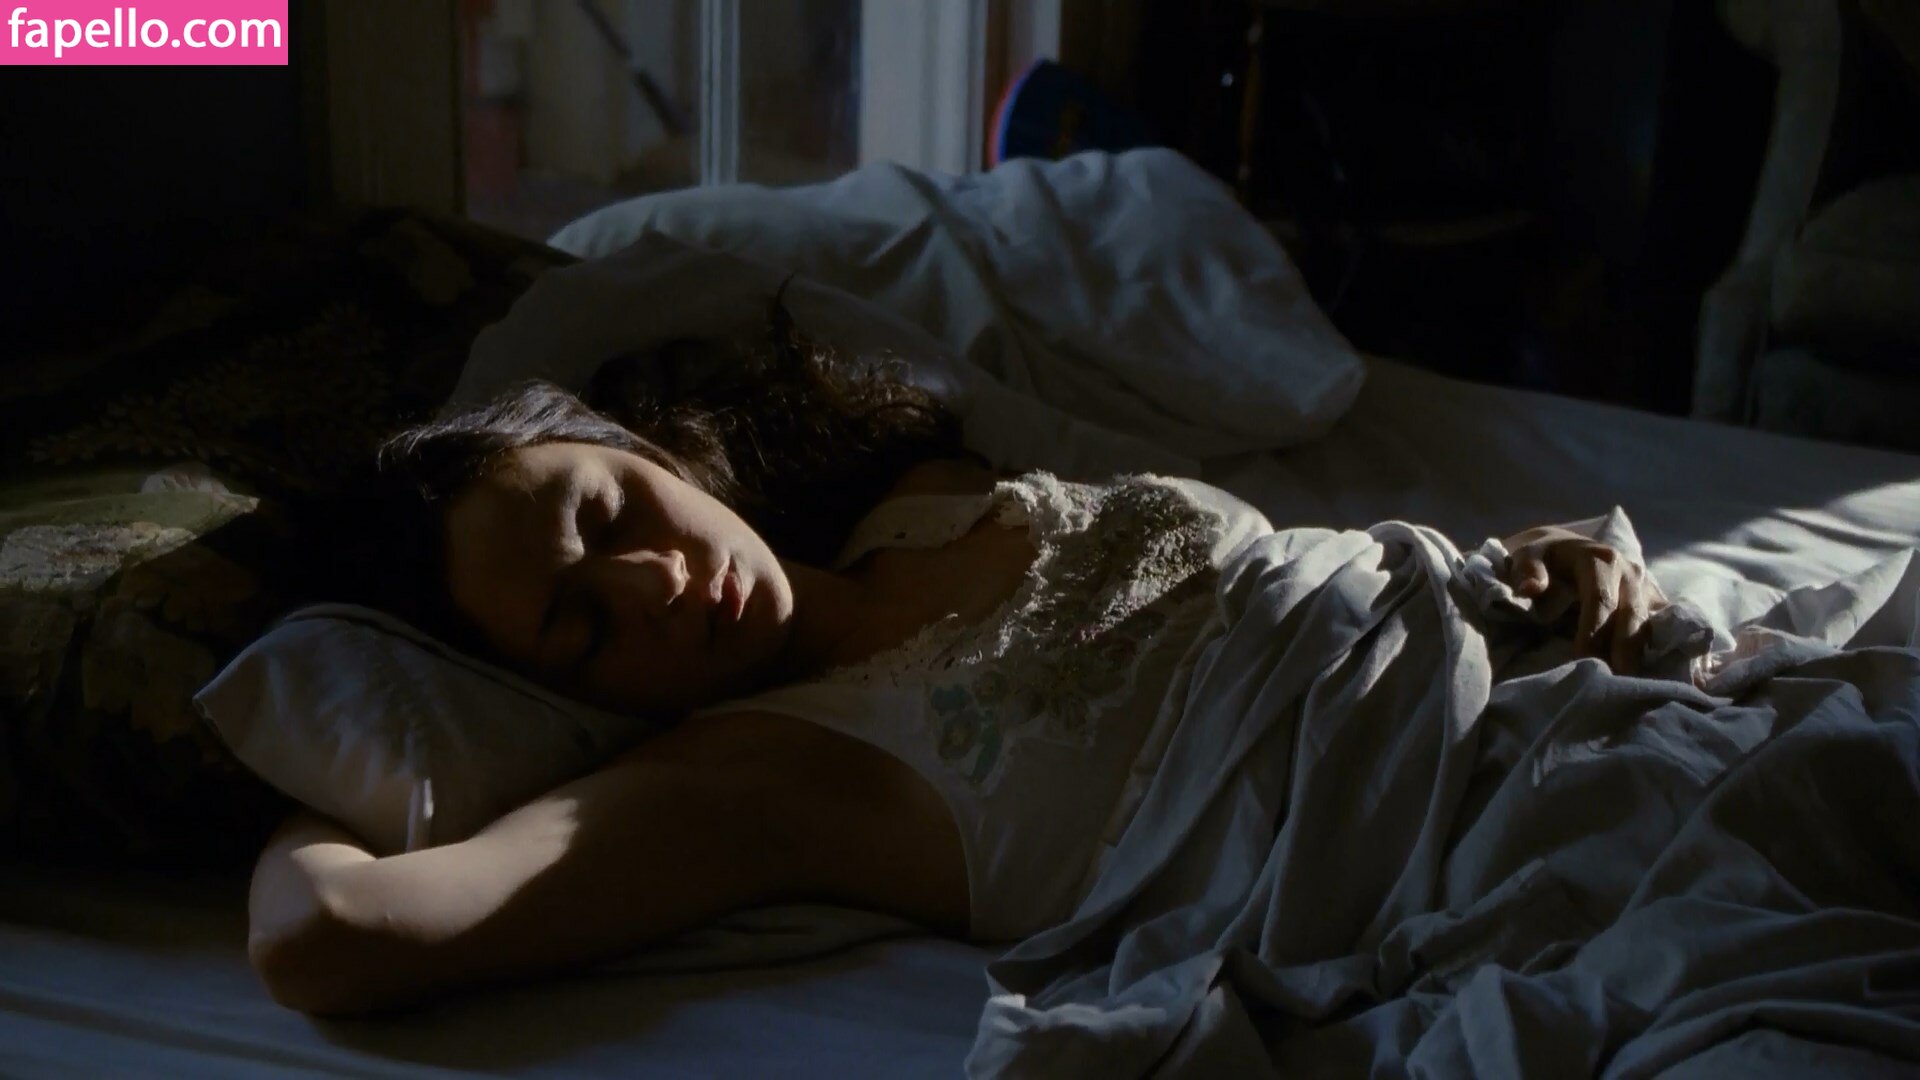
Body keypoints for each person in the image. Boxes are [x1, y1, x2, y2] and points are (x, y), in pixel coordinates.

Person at [247, 310, 1666, 1016]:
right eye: (583, 628)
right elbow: (330, 938)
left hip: (1547, 661)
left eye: (611, 515)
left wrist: (1535, 558)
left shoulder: (926, 493)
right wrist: (337, 775)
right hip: (1495, 837)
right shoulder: (743, 780)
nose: (658, 583)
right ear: (558, 694)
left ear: (636, 450)